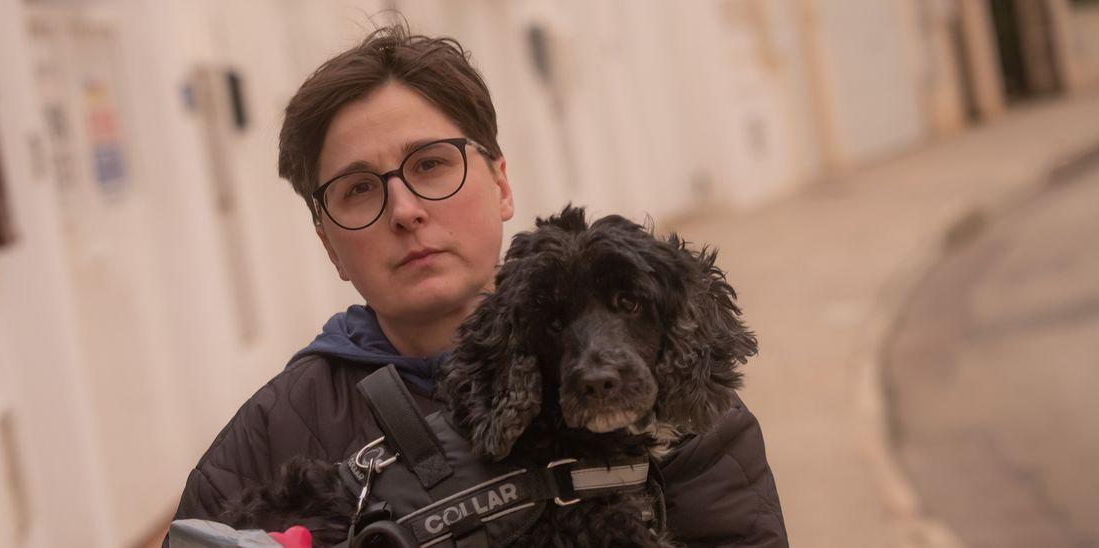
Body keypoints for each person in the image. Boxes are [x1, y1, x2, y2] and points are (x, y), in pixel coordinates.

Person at [168, 24, 788, 547]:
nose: (404, 209)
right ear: (328, 243)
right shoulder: (264, 444)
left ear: (501, 183)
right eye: (359, 188)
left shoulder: (669, 396)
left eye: (431, 163)